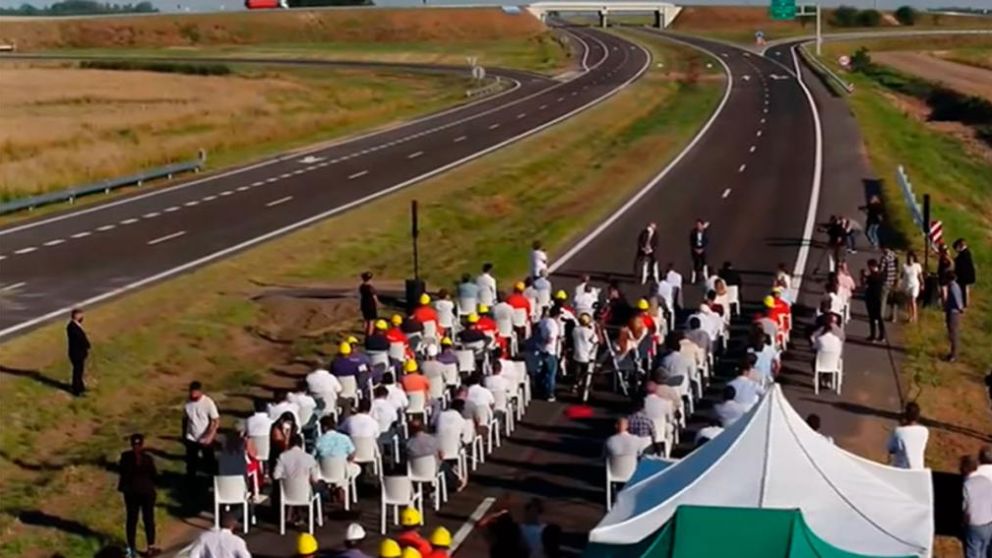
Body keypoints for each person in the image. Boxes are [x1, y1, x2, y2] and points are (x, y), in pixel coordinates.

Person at [118, 433, 159, 558]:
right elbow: (154, 476)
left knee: (131, 520)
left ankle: (131, 549)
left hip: (130, 492)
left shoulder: (125, 457)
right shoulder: (147, 459)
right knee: (148, 519)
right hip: (146, 492)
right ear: (142, 444)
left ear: (131, 444)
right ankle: (150, 547)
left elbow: (121, 472)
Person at [183, 381, 219, 483]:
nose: (192, 394)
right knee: (191, 462)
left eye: (195, 392)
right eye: (191, 392)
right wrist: (184, 435)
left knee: (209, 462)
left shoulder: (208, 402)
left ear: (200, 392)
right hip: (191, 437)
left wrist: (210, 436)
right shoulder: (188, 403)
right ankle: (191, 482)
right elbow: (185, 419)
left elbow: (215, 420)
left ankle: (212, 481)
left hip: (205, 438)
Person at [964, 447, 992, 558]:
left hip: (976, 520)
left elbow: (966, 505)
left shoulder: (972, 477)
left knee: (974, 549)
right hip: (988, 519)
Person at [886, 402, 929, 470]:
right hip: (918, 469)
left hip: (901, 470)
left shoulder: (898, 431)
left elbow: (891, 449)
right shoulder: (925, 431)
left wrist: (901, 426)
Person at [537, 306, 561, 402]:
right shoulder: (553, 325)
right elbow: (550, 338)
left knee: (543, 372)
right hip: (550, 351)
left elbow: (537, 330)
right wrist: (546, 342)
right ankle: (550, 394)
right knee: (551, 374)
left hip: (542, 350)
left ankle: (541, 390)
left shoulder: (544, 321)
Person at [861, 259, 887, 343]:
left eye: (869, 267)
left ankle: (878, 335)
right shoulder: (877, 275)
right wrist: (863, 277)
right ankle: (874, 335)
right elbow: (864, 284)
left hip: (876, 298)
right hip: (872, 297)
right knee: (873, 318)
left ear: (872, 266)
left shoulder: (878, 275)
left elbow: (872, 280)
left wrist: (866, 276)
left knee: (878, 317)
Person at [66, 308, 90, 396]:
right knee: (77, 372)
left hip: (79, 353)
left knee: (79, 371)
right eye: (81, 315)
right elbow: (79, 339)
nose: (82, 317)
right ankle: (77, 389)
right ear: (76, 316)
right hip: (76, 353)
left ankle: (80, 386)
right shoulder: (72, 327)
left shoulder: (75, 326)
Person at [945, 270, 966, 362]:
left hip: (953, 312)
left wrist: (960, 308)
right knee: (952, 332)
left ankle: (954, 354)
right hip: (951, 310)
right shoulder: (954, 286)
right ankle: (952, 352)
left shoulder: (953, 287)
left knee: (953, 333)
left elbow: (957, 298)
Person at [901, 250, 923, 323]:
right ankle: (910, 316)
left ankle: (915, 316)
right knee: (908, 301)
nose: (910, 260)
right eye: (909, 259)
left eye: (911, 259)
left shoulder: (917, 266)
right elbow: (902, 276)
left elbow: (920, 276)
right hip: (907, 284)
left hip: (915, 285)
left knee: (913, 300)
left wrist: (922, 283)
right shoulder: (904, 266)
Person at [954, 238, 976, 308]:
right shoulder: (966, 253)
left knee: (965, 290)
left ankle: (965, 303)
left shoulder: (965, 254)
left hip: (965, 276)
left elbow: (961, 264)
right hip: (965, 276)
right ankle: (964, 302)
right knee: (964, 290)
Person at [879, 244, 899, 322]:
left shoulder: (884, 258)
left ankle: (881, 315)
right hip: (894, 280)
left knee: (883, 299)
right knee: (893, 300)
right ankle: (893, 316)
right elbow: (897, 269)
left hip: (886, 281)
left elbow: (881, 269)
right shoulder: (895, 257)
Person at [688, 219, 710, 283]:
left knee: (704, 263)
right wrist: (695, 249)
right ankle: (694, 278)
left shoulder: (704, 232)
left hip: (702, 250)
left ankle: (706, 277)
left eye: (699, 225)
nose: (698, 226)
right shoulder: (693, 232)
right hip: (695, 250)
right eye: (697, 225)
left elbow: (706, 241)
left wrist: (702, 249)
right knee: (695, 264)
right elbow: (691, 242)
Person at [359, 272, 380, 337]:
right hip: (371, 304)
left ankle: (365, 333)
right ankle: (370, 335)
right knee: (371, 321)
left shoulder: (361, 286)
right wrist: (377, 304)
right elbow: (374, 297)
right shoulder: (370, 287)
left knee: (365, 319)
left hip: (364, 303)